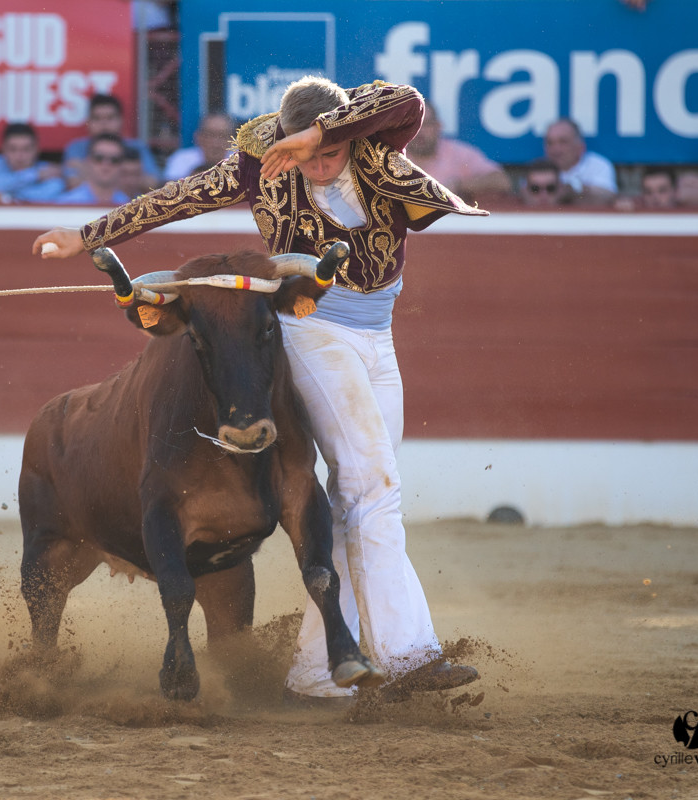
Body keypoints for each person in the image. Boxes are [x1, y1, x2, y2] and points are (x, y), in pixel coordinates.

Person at [34, 76, 486, 705]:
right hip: (313, 329)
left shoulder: (374, 145)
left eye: (330, 153)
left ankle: (316, 672)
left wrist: (319, 135)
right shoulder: (259, 164)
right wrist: (87, 236)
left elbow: (407, 101)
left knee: (360, 501)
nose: (319, 167)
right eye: (307, 156)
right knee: (373, 487)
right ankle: (408, 656)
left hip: (377, 339)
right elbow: (176, 198)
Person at [405, 102, 511, 206]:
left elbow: (502, 181)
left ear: (438, 126)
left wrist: (460, 185)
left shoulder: (458, 153)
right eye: (412, 125)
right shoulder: (396, 155)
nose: (419, 131)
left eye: (426, 124)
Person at [62, 94, 159, 189]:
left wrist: (89, 172)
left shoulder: (137, 147)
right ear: (88, 122)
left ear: (121, 120)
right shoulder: (76, 148)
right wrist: (130, 175)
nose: (104, 124)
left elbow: (153, 184)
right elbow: (74, 183)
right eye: (97, 118)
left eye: (110, 118)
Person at [0, 122, 66, 203]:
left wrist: (7, 195)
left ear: (37, 149)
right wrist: (35, 175)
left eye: (26, 149)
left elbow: (48, 195)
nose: (19, 156)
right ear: (3, 149)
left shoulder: (49, 170)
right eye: (13, 149)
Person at [542, 118, 617, 205]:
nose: (556, 149)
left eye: (563, 142)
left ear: (580, 146)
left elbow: (607, 196)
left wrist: (575, 189)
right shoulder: (541, 168)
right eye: (550, 143)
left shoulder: (598, 165)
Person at [53, 133, 132, 206]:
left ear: (122, 165)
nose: (106, 164)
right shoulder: (65, 204)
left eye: (114, 160)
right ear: (88, 161)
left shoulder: (129, 207)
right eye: (99, 158)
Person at [163, 111, 237, 181]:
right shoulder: (181, 159)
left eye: (222, 136)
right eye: (210, 135)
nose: (216, 143)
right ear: (198, 137)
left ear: (232, 140)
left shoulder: (239, 160)